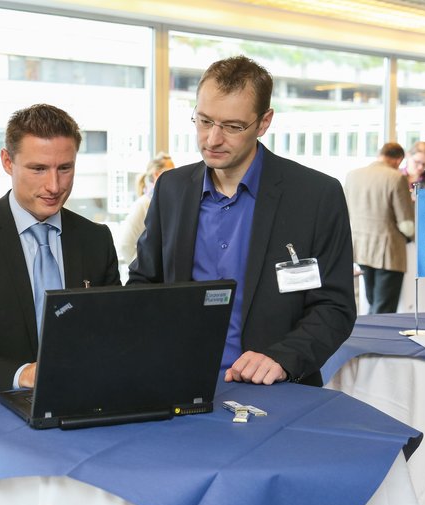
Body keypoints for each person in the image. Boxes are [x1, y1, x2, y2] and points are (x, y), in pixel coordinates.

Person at [129, 55, 356, 387]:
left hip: (276, 390)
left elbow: (334, 307)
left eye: (232, 126)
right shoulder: (172, 189)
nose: (212, 139)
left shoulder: (315, 196)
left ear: (264, 122)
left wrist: (283, 358)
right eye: (204, 121)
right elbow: (144, 283)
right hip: (179, 383)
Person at [0, 103, 120, 421]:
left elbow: (114, 336)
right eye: (38, 169)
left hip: (80, 417)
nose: (54, 186)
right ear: (7, 161)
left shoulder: (95, 240)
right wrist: (22, 375)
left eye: (65, 168)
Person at [345, 142, 414, 314]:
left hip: (361, 248)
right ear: (398, 159)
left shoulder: (353, 175)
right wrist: (412, 237)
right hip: (389, 251)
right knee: (384, 308)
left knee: (372, 301)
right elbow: (406, 224)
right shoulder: (396, 178)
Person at [117, 153, 174, 264]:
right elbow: (125, 245)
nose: (175, 176)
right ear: (157, 174)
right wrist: (142, 267)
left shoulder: (169, 203)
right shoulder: (143, 204)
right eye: (171, 172)